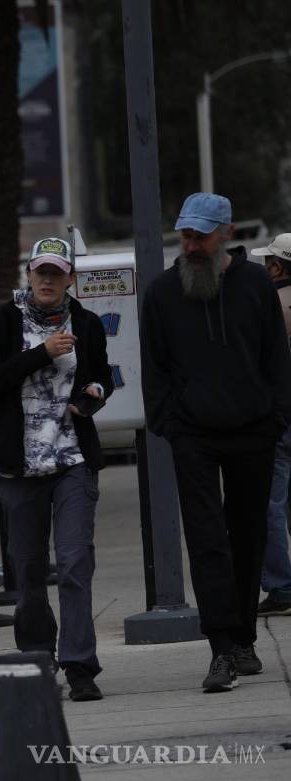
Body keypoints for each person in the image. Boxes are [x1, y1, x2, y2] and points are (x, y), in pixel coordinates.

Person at [140, 193, 291, 693]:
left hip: (253, 431)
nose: (191, 244)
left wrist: (277, 417)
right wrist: (169, 423)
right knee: (207, 542)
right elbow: (155, 367)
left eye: (201, 235)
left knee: (248, 537)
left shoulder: (254, 286)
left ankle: (244, 637)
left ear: (225, 233)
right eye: (185, 235)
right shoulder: (162, 293)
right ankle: (221, 647)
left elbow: (277, 360)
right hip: (194, 436)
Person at [0, 236, 112, 702]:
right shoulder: (4, 320)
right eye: (41, 272)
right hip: (19, 466)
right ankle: (37, 659)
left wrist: (90, 397)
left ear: (70, 278)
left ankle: (79, 666)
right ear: (28, 276)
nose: (49, 280)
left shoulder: (89, 324)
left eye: (57, 273)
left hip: (72, 459)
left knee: (75, 564)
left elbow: (102, 377)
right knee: (29, 570)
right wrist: (43, 353)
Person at [251, 232, 291, 616]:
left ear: (278, 266)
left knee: (271, 505)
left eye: (268, 262)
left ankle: (281, 587)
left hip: (278, 417)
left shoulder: (270, 305)